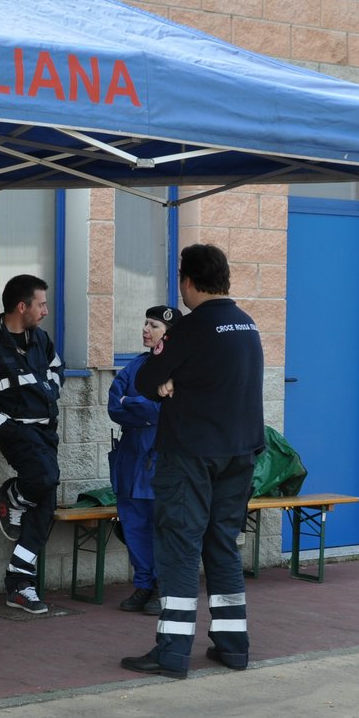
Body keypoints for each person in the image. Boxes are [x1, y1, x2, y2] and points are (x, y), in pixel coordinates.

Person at [121, 245, 264, 679]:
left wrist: (166, 380)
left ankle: (173, 652)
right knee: (222, 545)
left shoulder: (192, 327)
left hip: (190, 455)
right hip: (239, 453)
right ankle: (232, 645)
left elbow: (145, 378)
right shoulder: (247, 324)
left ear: (187, 281)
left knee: (179, 548)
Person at [0, 274, 62, 615]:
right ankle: (14, 495)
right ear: (22, 307)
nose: (46, 311)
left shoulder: (41, 340)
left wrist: (49, 391)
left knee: (45, 506)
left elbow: (55, 371)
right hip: (18, 434)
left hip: (47, 432)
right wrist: (9, 429)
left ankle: (19, 583)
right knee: (46, 479)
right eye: (42, 304)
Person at [108, 304, 182, 616]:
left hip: (161, 459)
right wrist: (146, 403)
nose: (146, 330)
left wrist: (133, 404)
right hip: (130, 459)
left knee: (161, 528)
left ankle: (163, 586)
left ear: (169, 333)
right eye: (145, 324)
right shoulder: (133, 366)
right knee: (134, 526)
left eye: (153, 326)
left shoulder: (178, 369)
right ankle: (144, 585)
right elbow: (113, 405)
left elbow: (165, 411)